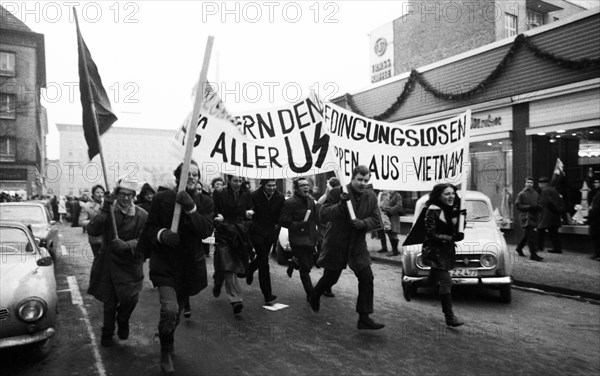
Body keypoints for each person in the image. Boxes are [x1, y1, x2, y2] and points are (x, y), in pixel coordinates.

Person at [143, 160, 214, 375]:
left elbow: (206, 230)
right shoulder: (161, 198)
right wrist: (162, 235)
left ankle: (167, 338)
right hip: (164, 264)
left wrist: (191, 209)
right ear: (178, 176)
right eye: (187, 174)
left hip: (188, 267)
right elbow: (148, 230)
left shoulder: (205, 202)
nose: (192, 177)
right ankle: (165, 353)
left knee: (176, 314)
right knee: (170, 309)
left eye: (195, 174)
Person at [310, 165, 385, 330]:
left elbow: (376, 219)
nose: (363, 183)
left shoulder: (371, 196)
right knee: (331, 278)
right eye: (359, 179)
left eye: (366, 180)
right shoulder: (338, 192)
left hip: (357, 245)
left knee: (367, 278)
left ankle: (364, 317)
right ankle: (315, 293)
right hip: (337, 243)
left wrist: (363, 223)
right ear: (352, 178)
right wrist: (341, 204)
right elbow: (323, 214)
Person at [86, 178, 148, 347]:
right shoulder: (108, 211)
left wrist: (127, 245)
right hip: (109, 264)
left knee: (131, 299)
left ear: (134, 196)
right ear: (116, 194)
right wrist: (105, 209)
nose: (125, 198)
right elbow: (92, 229)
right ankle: (107, 333)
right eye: (122, 194)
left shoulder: (142, 215)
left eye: (129, 195)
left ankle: (123, 318)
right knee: (110, 302)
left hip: (131, 265)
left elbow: (145, 239)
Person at [401, 183, 465, 327]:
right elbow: (431, 234)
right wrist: (451, 238)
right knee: (446, 281)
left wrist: (461, 221)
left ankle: (410, 283)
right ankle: (449, 317)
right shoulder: (432, 210)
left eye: (452, 193)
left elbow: (456, 230)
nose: (451, 196)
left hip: (447, 251)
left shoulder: (453, 209)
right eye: (447, 194)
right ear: (439, 195)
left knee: (432, 281)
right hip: (435, 251)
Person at [212, 175, 253, 315]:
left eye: (240, 181)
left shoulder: (246, 194)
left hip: (240, 234)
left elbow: (250, 209)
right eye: (235, 181)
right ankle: (236, 299)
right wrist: (219, 218)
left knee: (232, 264)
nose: (237, 183)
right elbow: (213, 211)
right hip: (224, 233)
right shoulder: (219, 193)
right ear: (229, 180)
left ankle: (218, 281)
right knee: (228, 266)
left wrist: (249, 213)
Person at [280, 177, 319, 303]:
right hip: (297, 239)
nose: (306, 187)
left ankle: (293, 262)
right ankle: (311, 294)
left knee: (309, 263)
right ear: (296, 188)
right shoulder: (290, 203)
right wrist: (299, 224)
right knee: (306, 268)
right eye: (302, 185)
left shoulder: (312, 201)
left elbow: (316, 219)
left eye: (307, 185)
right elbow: (284, 221)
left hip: (310, 238)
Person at [246, 179, 284, 304]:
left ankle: (250, 269)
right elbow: (249, 209)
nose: (272, 188)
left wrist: (279, 224)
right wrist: (250, 214)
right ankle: (267, 294)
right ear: (263, 185)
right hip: (257, 233)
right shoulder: (254, 195)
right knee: (264, 262)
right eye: (269, 185)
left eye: (274, 185)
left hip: (271, 233)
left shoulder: (280, 197)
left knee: (262, 258)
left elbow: (282, 214)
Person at [316, 177, 341, 298]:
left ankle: (326, 287)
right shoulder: (325, 198)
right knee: (329, 262)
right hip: (325, 233)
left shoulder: (334, 196)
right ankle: (325, 288)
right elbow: (319, 215)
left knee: (330, 263)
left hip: (332, 233)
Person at [515, 176, 544, 261]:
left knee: (528, 235)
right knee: (531, 236)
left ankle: (519, 248)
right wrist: (529, 207)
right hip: (526, 217)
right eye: (528, 182)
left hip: (534, 217)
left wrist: (538, 207)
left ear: (533, 184)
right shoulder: (521, 194)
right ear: (525, 183)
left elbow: (540, 203)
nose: (529, 184)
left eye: (531, 182)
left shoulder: (536, 194)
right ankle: (533, 254)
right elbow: (518, 205)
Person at [537, 177, 565, 254]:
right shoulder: (554, 190)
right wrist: (558, 211)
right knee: (554, 233)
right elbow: (560, 201)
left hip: (548, 215)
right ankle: (557, 248)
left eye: (540, 183)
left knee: (541, 230)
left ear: (543, 184)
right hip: (554, 216)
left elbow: (548, 202)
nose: (539, 185)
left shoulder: (545, 191)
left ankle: (539, 247)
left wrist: (554, 210)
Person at [79, 184, 105, 258]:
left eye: (102, 192)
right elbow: (81, 221)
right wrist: (94, 222)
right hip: (96, 239)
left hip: (108, 238)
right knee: (99, 260)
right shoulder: (87, 206)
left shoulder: (107, 205)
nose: (100, 195)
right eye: (97, 192)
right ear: (93, 194)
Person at [376, 190, 405, 256]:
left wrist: (389, 209)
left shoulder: (397, 195)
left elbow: (399, 205)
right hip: (386, 216)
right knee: (389, 232)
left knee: (393, 232)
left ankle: (395, 251)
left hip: (393, 216)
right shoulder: (386, 194)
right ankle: (394, 250)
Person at [588, 182, 600, 260]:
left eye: (597, 182)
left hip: (597, 219)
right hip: (596, 218)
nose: (595, 184)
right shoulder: (596, 193)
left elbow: (596, 207)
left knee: (597, 236)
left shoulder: (598, 194)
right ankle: (597, 253)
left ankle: (597, 254)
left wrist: (591, 214)